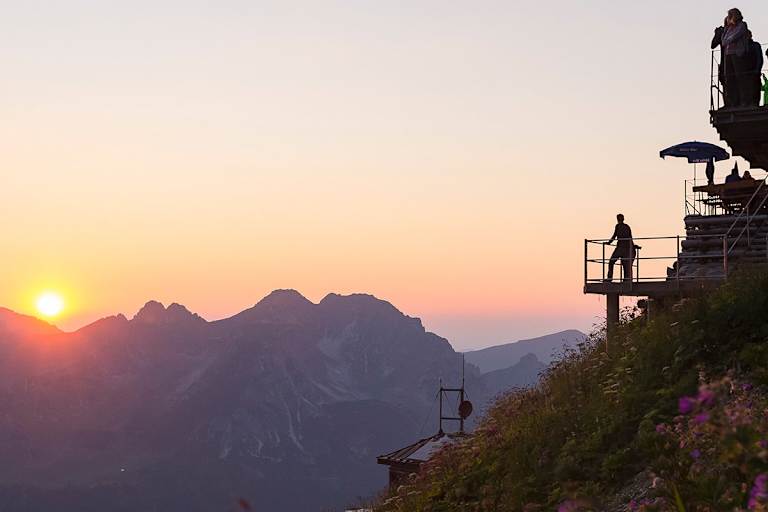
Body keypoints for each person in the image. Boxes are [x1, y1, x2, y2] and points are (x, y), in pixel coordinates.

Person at [722, 9, 750, 108]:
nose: (728, 17)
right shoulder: (728, 28)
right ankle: (731, 102)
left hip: (737, 54)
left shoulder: (742, 25)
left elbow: (736, 36)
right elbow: (723, 41)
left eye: (729, 15)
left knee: (740, 77)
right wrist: (727, 35)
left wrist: (728, 39)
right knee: (729, 78)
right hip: (728, 55)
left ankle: (744, 101)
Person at [605, 214, 635, 282]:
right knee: (624, 264)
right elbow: (630, 238)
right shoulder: (625, 226)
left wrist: (609, 242)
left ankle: (611, 278)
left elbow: (614, 236)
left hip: (622, 248)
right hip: (624, 247)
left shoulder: (620, 226)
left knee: (613, 262)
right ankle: (625, 279)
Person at [746, 31, 764, 106]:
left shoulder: (755, 45)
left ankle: (755, 104)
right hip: (745, 73)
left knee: (755, 89)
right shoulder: (742, 47)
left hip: (754, 71)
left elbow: (759, 58)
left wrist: (757, 70)